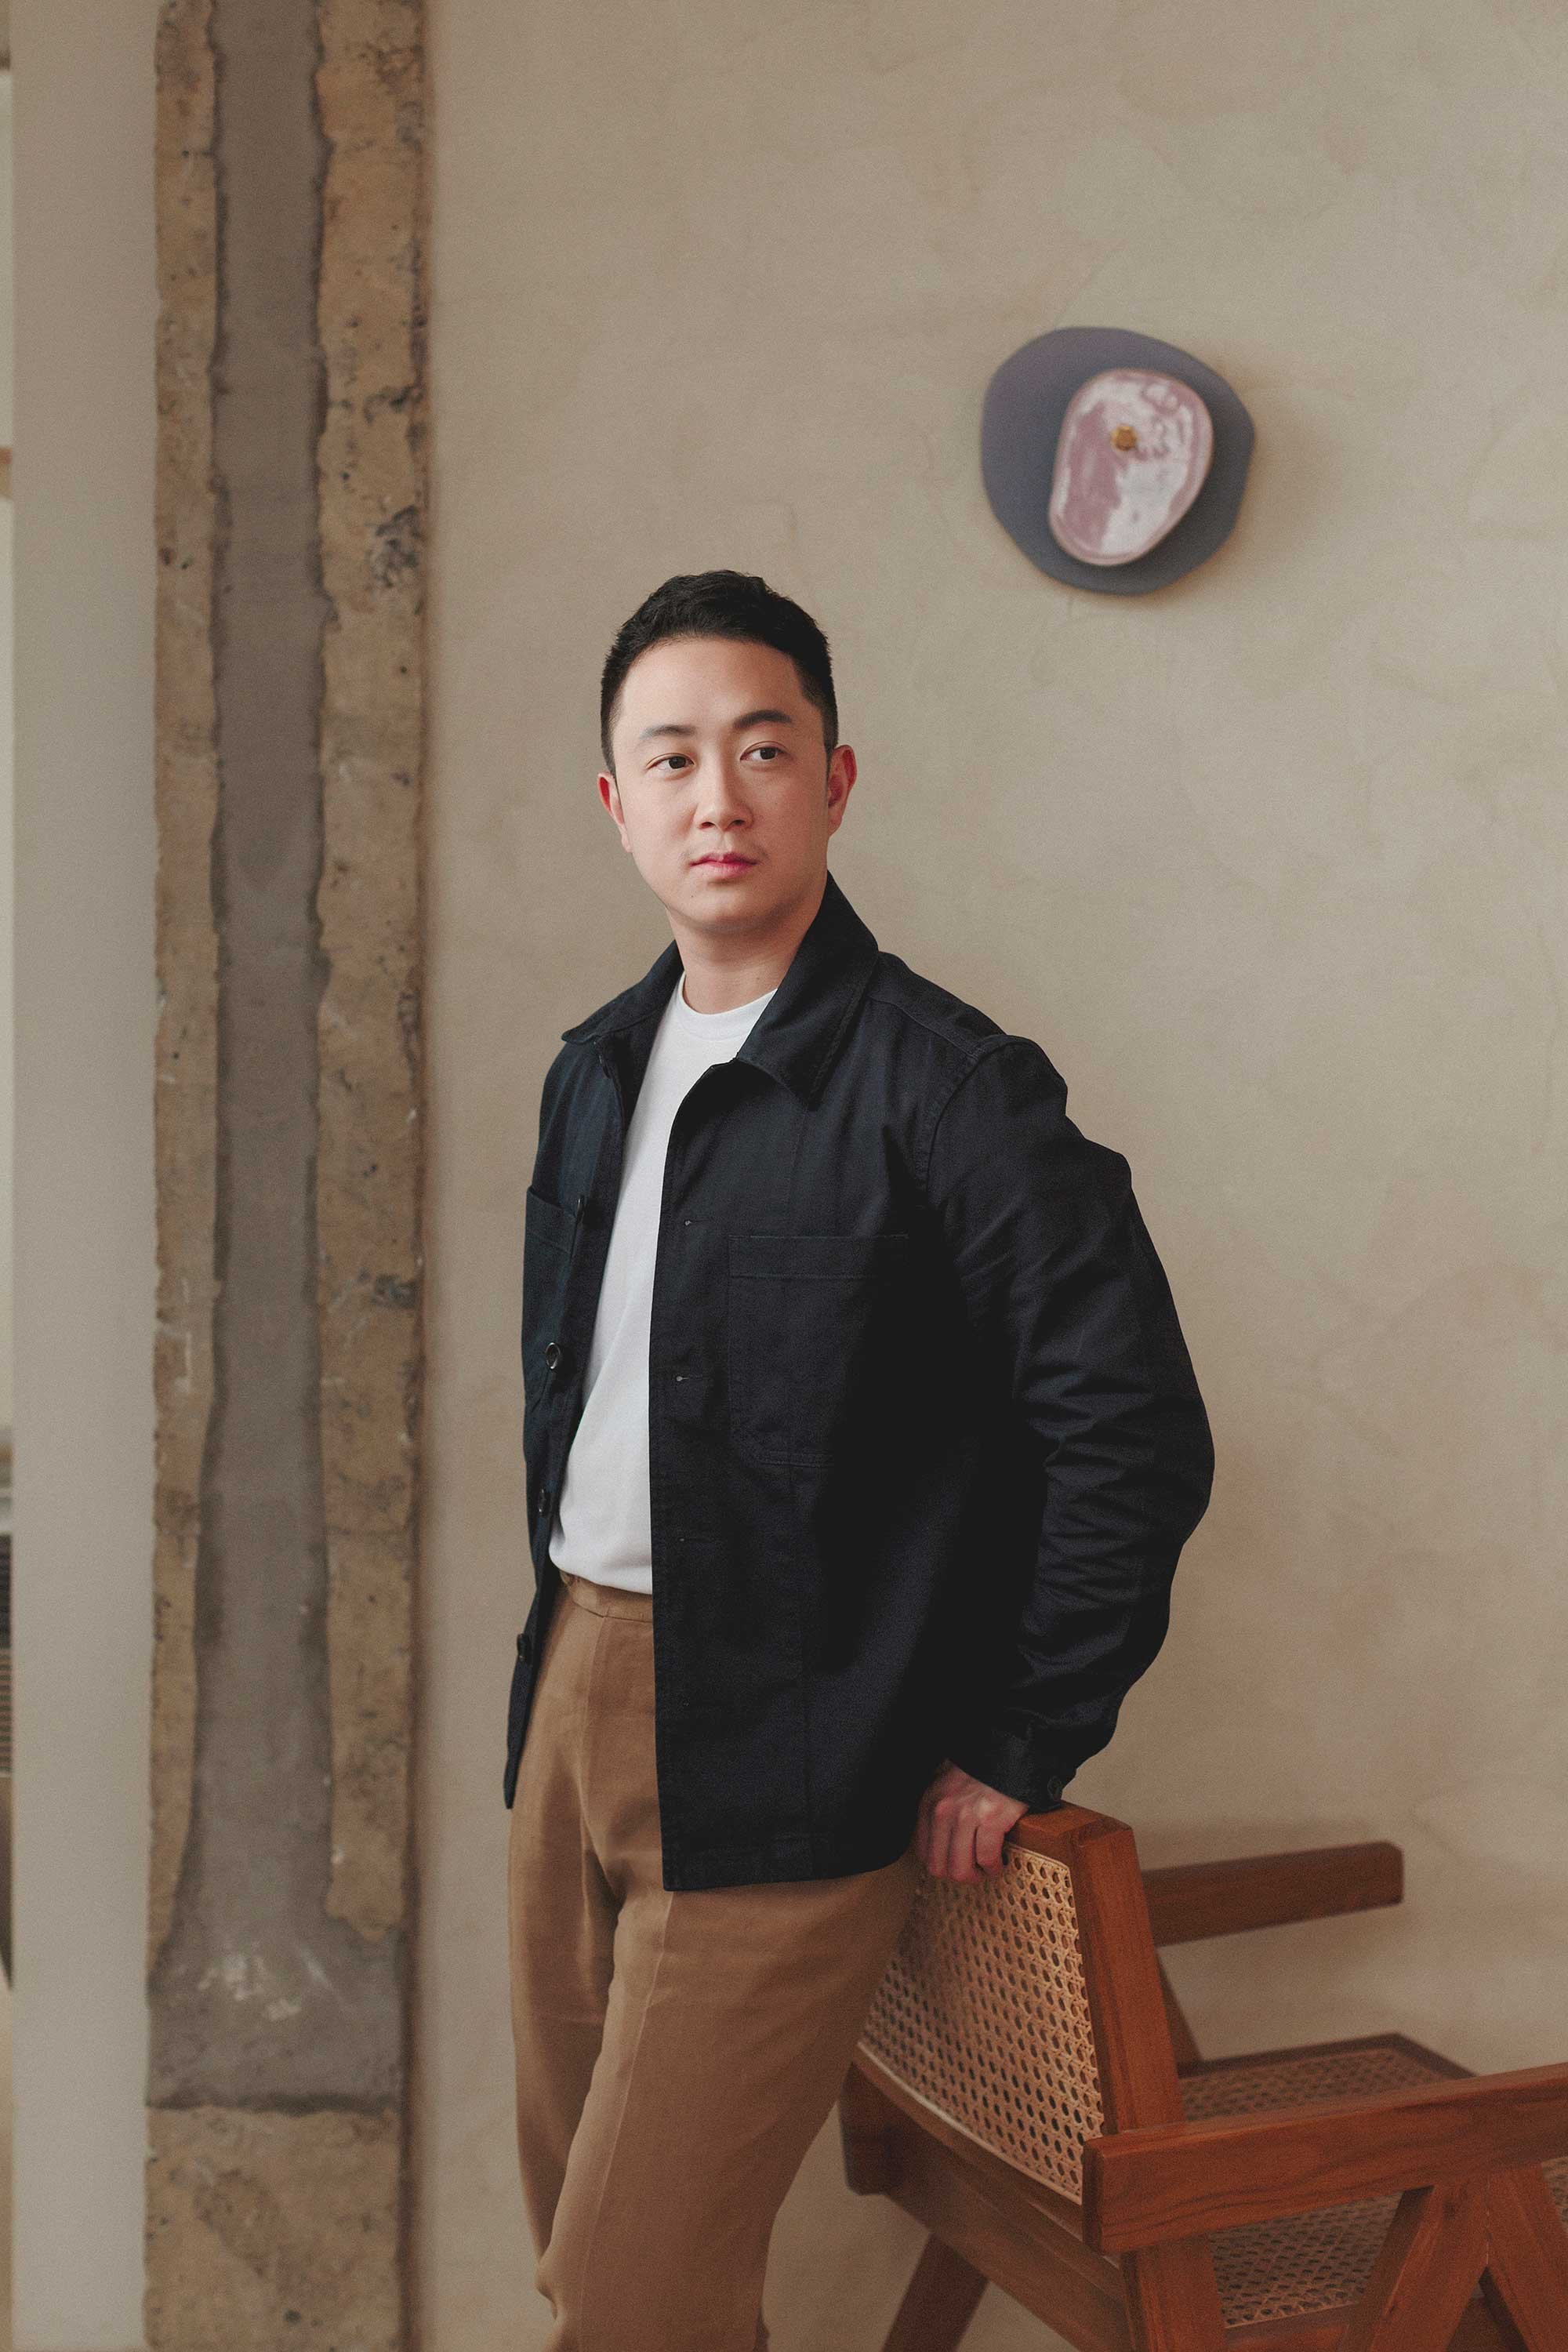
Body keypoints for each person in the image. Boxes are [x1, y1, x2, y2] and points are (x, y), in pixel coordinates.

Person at [506, 570, 1214, 2350]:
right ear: (615, 803)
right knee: (587, 2252)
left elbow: (1128, 1422)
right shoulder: (595, 1072)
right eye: (672, 758)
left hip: (796, 1733)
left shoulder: (951, 1089)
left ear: (835, 780)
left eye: (763, 749)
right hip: (575, 1684)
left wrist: (1025, 1726)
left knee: (630, 2302)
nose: (717, 798)